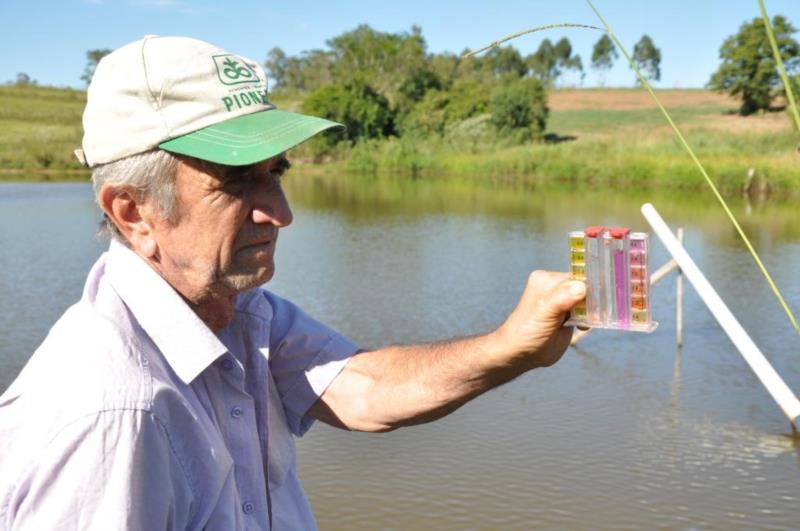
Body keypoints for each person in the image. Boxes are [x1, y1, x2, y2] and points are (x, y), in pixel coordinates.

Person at [0, 36, 586, 530]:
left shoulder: (239, 312)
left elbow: (364, 390)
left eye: (276, 173)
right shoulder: (112, 418)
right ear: (133, 213)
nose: (280, 213)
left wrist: (513, 347)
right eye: (236, 182)